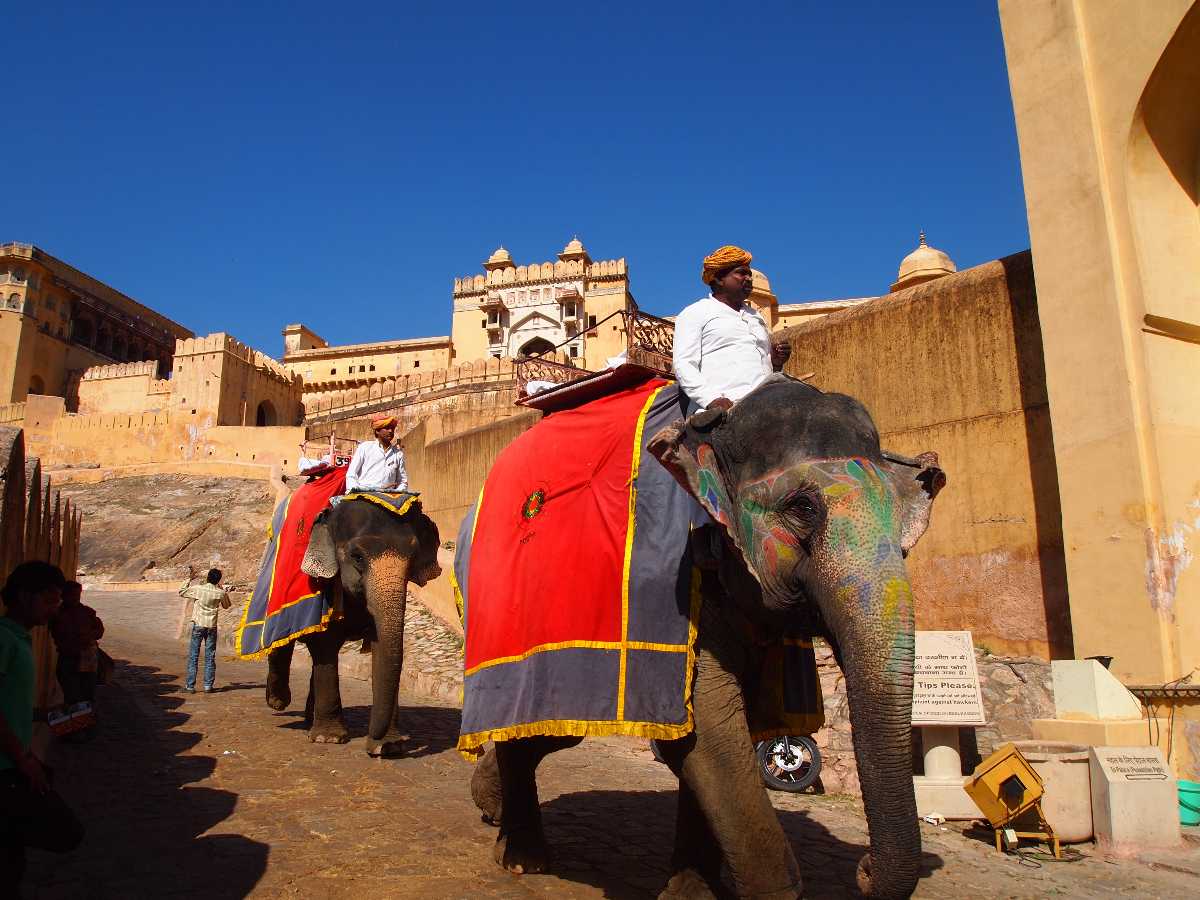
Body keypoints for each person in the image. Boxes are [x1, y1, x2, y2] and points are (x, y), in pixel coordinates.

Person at [0, 561, 84, 889]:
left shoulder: (18, 638)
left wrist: (39, 715)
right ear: (24, 597)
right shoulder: (5, 639)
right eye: (49, 601)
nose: (55, 609)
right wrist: (23, 758)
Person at [672, 244, 792, 412]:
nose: (749, 278)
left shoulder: (756, 317)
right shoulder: (695, 313)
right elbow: (684, 365)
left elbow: (763, 367)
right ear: (719, 279)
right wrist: (711, 399)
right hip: (722, 410)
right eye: (741, 273)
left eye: (749, 275)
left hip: (766, 405)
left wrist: (776, 363)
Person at [49, 581, 104, 712]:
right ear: (64, 595)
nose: (75, 598)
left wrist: (88, 636)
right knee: (71, 697)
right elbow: (55, 632)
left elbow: (100, 630)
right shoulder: (56, 614)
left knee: (88, 695)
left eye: (77, 594)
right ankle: (73, 726)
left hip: (87, 659)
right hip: (68, 658)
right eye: (72, 595)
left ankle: (85, 725)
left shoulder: (87, 612)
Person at [179, 568, 231, 694]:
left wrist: (189, 579)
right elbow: (227, 605)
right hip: (211, 626)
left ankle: (190, 686)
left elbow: (182, 592)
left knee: (194, 656)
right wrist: (221, 588)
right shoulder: (220, 593)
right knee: (210, 656)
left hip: (198, 625)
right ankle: (208, 686)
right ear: (218, 580)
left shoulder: (199, 589)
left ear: (208, 577)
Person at [345, 413, 408, 492]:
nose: (391, 431)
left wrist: (396, 492)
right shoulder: (365, 448)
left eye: (392, 428)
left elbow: (402, 482)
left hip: (388, 497)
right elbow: (351, 475)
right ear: (377, 431)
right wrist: (355, 492)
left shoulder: (398, 454)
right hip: (364, 494)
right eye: (387, 428)